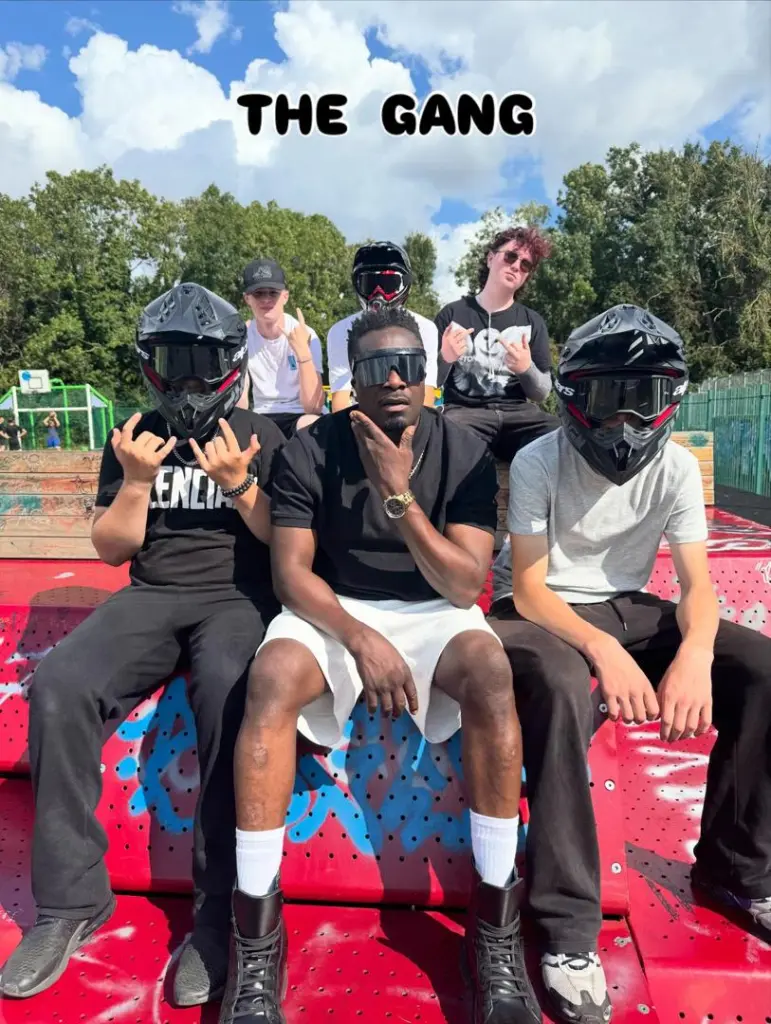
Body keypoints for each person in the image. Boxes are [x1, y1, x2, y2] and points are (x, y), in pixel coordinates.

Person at [217, 306, 542, 1024]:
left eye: (408, 366)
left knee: (491, 675)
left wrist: (399, 497)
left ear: (427, 374)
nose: (394, 379)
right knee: (270, 680)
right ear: (350, 379)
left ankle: (494, 932)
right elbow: (291, 576)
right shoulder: (310, 450)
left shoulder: (462, 449)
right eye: (375, 367)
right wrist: (360, 639)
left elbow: (464, 584)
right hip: (335, 609)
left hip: (433, 609)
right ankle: (257, 945)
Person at [0, 283, 286, 1009]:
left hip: (238, 597)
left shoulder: (261, 432)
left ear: (229, 362)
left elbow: (285, 544)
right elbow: (112, 549)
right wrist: (135, 482)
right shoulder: (133, 436)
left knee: (228, 690)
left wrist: (241, 486)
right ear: (150, 365)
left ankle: (218, 913)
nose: (186, 380)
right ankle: (70, 903)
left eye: (201, 362)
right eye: (171, 361)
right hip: (152, 593)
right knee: (61, 685)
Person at [488, 304, 771, 1024]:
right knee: (561, 688)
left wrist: (696, 654)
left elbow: (697, 586)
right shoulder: (538, 460)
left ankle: (734, 870)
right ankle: (566, 927)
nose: (623, 421)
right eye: (607, 397)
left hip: (627, 604)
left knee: (761, 669)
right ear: (574, 398)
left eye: (641, 399)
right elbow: (528, 587)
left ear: (668, 398)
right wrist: (604, 652)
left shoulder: (674, 468)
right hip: (540, 608)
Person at [436, 225, 558, 461]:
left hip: (519, 416)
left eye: (525, 265)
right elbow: (428, 382)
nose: (516, 266)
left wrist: (526, 369)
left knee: (559, 435)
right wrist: (445, 358)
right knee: (444, 433)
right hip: (464, 414)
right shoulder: (451, 314)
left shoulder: (533, 321)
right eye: (511, 256)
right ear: (491, 258)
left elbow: (542, 392)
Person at [327, 241, 439, 413]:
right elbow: (340, 401)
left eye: (388, 285)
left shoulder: (425, 329)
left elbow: (425, 398)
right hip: (362, 415)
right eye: (369, 285)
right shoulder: (340, 331)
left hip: (409, 416)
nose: (378, 294)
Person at [237, 257, 325, 439]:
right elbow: (241, 402)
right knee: (234, 426)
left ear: (285, 296)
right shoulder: (242, 338)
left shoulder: (306, 334)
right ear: (247, 298)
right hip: (262, 416)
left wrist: (303, 354)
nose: (266, 299)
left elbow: (313, 407)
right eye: (259, 293)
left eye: (273, 293)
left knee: (310, 425)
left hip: (300, 414)